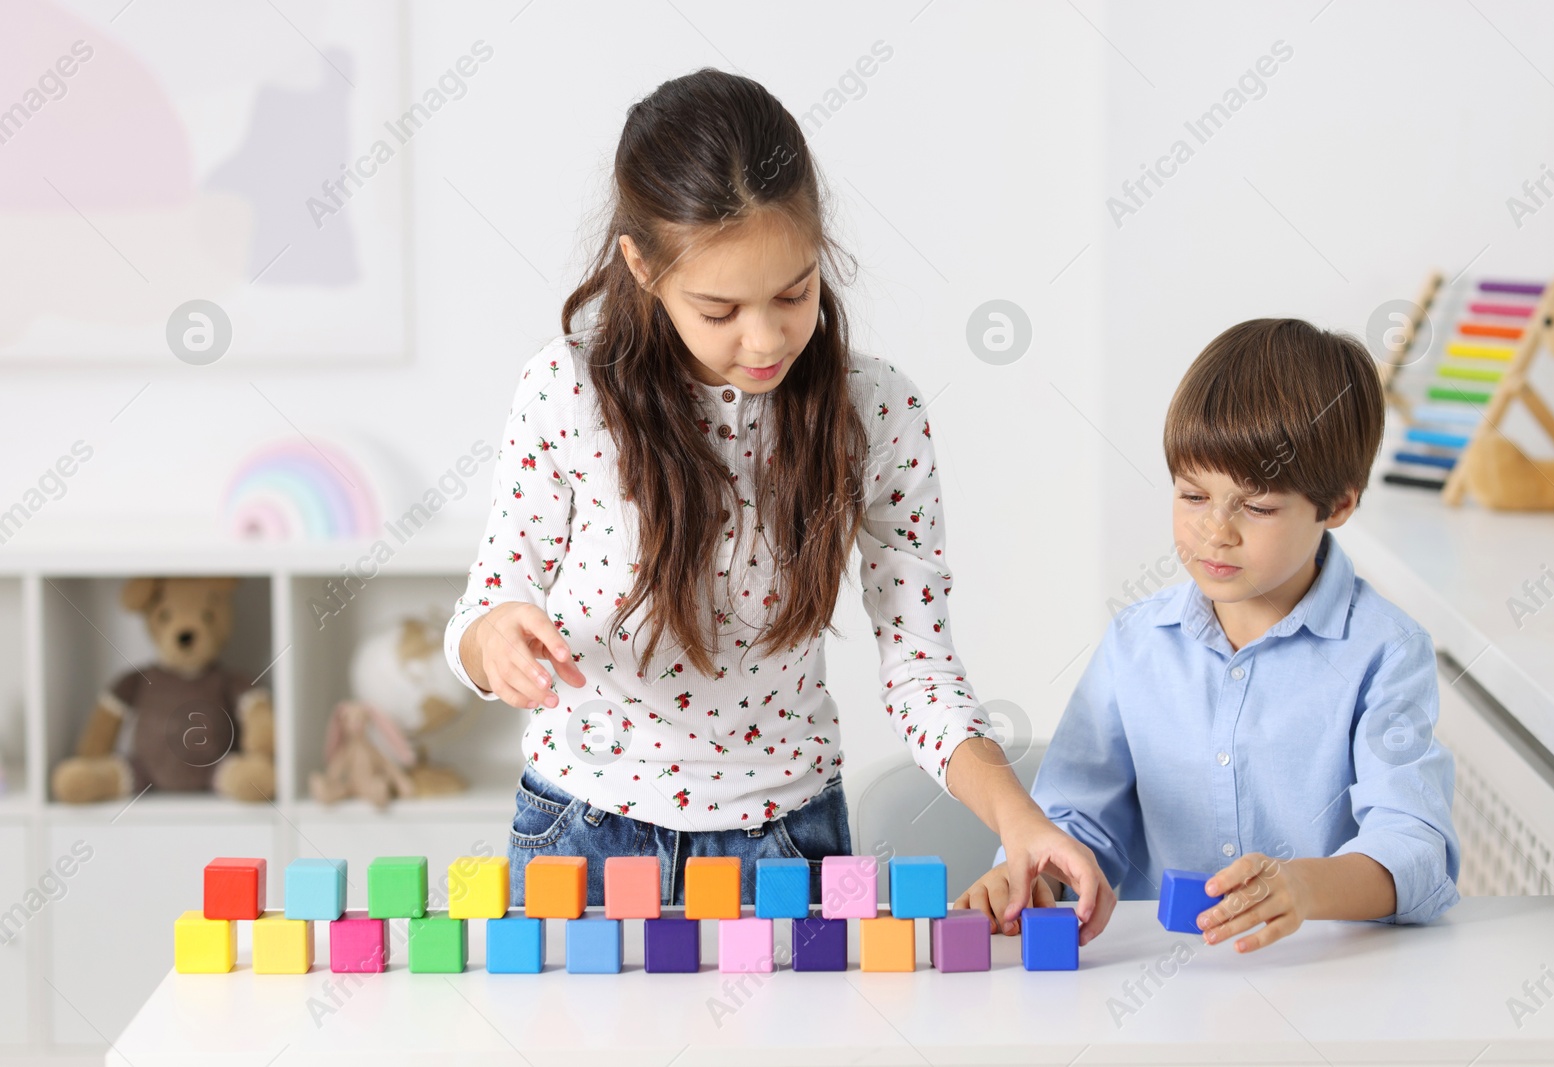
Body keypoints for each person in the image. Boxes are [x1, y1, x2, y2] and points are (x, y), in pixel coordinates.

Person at [443, 68, 1110, 938]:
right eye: (719, 308)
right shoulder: (567, 391)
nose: (765, 340)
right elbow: (486, 602)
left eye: (794, 293)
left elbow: (920, 666)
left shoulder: (876, 414)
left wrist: (1016, 816)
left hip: (788, 847)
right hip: (584, 835)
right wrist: (490, 641)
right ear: (641, 266)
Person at [958, 318, 1461, 951]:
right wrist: (1034, 876)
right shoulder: (1136, 642)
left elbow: (1415, 848)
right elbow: (1080, 819)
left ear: (1336, 506)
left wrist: (1306, 888)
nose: (1215, 532)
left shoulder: (1385, 651)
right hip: (1162, 982)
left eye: (1257, 507)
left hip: (1328, 978)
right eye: (1193, 495)